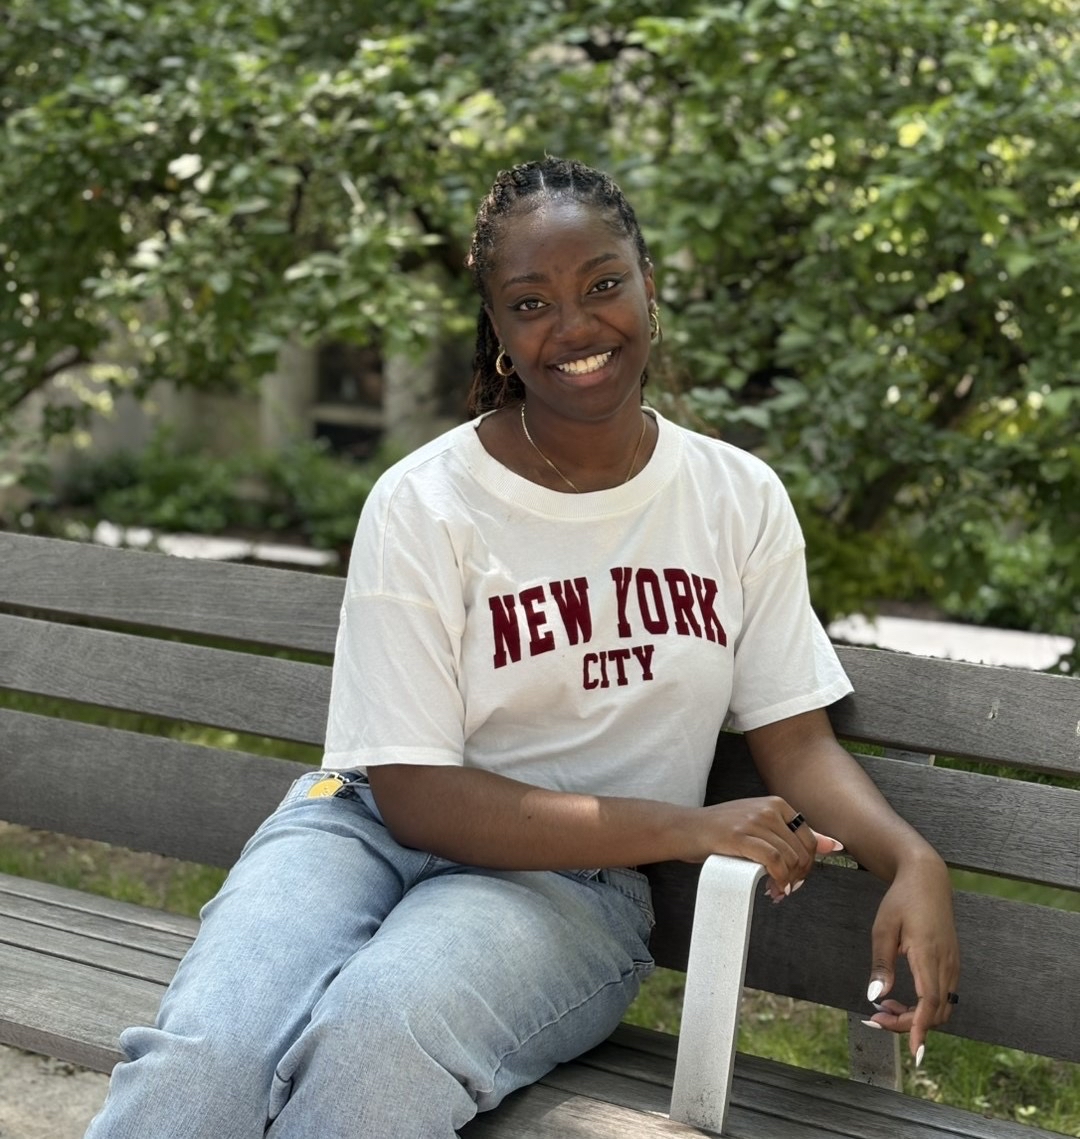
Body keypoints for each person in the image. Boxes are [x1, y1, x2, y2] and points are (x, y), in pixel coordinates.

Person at [84, 157, 959, 1139]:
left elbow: (794, 740)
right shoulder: (425, 500)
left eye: (603, 283)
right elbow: (415, 796)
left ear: (648, 285)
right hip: (359, 831)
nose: (575, 326)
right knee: (204, 1061)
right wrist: (685, 825)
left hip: (566, 889)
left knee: (378, 1036)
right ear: (497, 328)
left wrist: (910, 857)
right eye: (532, 302)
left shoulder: (736, 498)